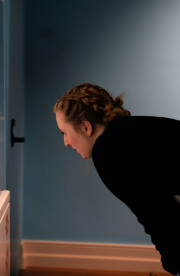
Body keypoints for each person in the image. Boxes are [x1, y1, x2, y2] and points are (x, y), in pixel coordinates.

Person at [54, 83, 180, 276]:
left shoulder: (108, 151)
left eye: (65, 132)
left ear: (86, 127)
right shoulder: (128, 132)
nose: (66, 142)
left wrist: (174, 264)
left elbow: (157, 215)